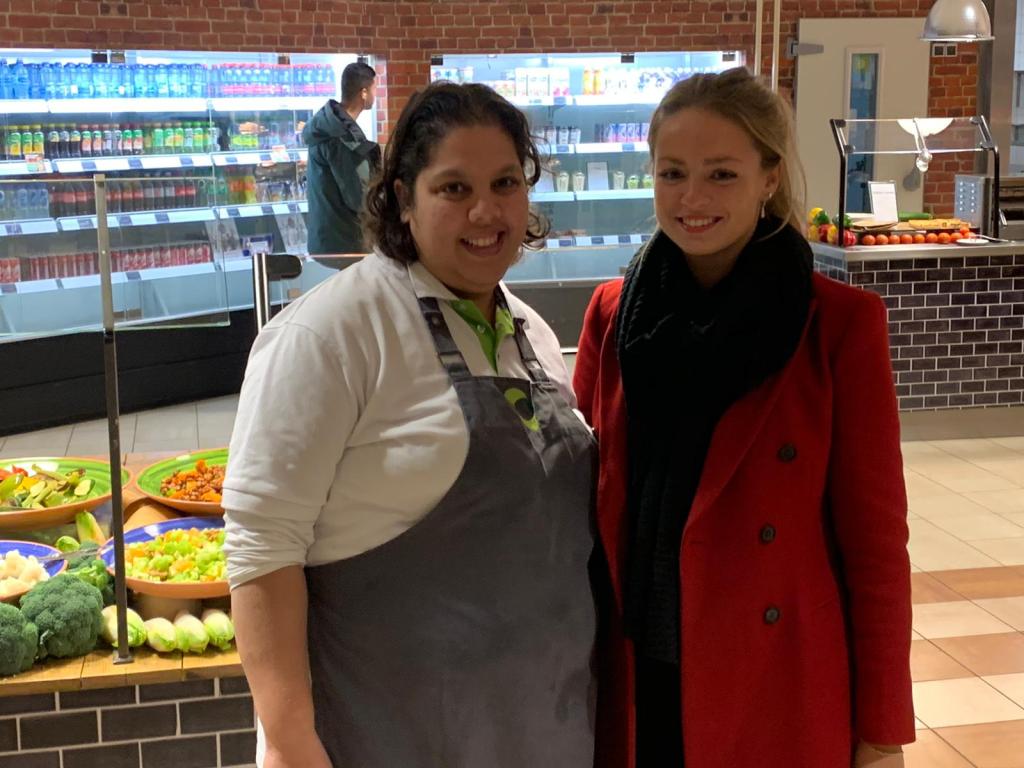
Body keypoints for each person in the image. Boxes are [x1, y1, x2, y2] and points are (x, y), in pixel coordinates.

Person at [224, 81, 597, 768]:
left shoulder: (534, 335)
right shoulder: (330, 333)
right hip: (387, 736)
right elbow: (261, 543)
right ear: (403, 198)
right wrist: (290, 742)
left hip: (542, 729)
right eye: (454, 188)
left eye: (505, 183)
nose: (485, 211)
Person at [573, 67, 914, 768]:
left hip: (771, 680)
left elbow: (876, 546)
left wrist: (881, 731)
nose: (692, 198)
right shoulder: (614, 314)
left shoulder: (838, 326)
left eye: (721, 174)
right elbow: (583, 506)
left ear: (769, 177)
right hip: (634, 669)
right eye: (672, 173)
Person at [303, 61, 381, 260]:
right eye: (375, 88)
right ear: (364, 93)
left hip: (326, 237)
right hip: (345, 241)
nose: (376, 94)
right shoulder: (341, 137)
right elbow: (358, 197)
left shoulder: (328, 125)